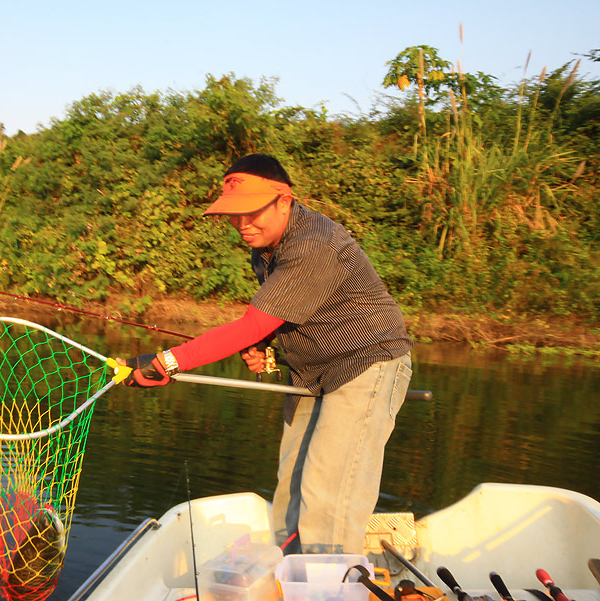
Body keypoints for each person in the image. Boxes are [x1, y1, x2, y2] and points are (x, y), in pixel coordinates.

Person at [117, 153, 413, 555]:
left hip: (366, 362)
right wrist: (267, 350)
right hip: (312, 372)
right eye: (234, 215)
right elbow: (278, 320)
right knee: (291, 483)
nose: (242, 224)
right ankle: (290, 575)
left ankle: (329, 585)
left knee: (328, 491)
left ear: (284, 201)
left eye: (252, 212)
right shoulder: (265, 245)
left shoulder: (315, 244)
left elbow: (251, 325)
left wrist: (165, 362)